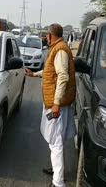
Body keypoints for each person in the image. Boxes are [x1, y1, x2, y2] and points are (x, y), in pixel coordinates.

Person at [25, 24, 77, 187]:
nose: (46, 38)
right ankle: (57, 170)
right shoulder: (57, 48)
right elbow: (50, 72)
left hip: (57, 104)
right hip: (57, 102)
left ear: (50, 35)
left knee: (55, 142)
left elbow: (62, 77)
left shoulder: (60, 50)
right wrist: (34, 74)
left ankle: (58, 182)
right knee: (56, 140)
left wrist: (56, 104)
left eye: (47, 35)